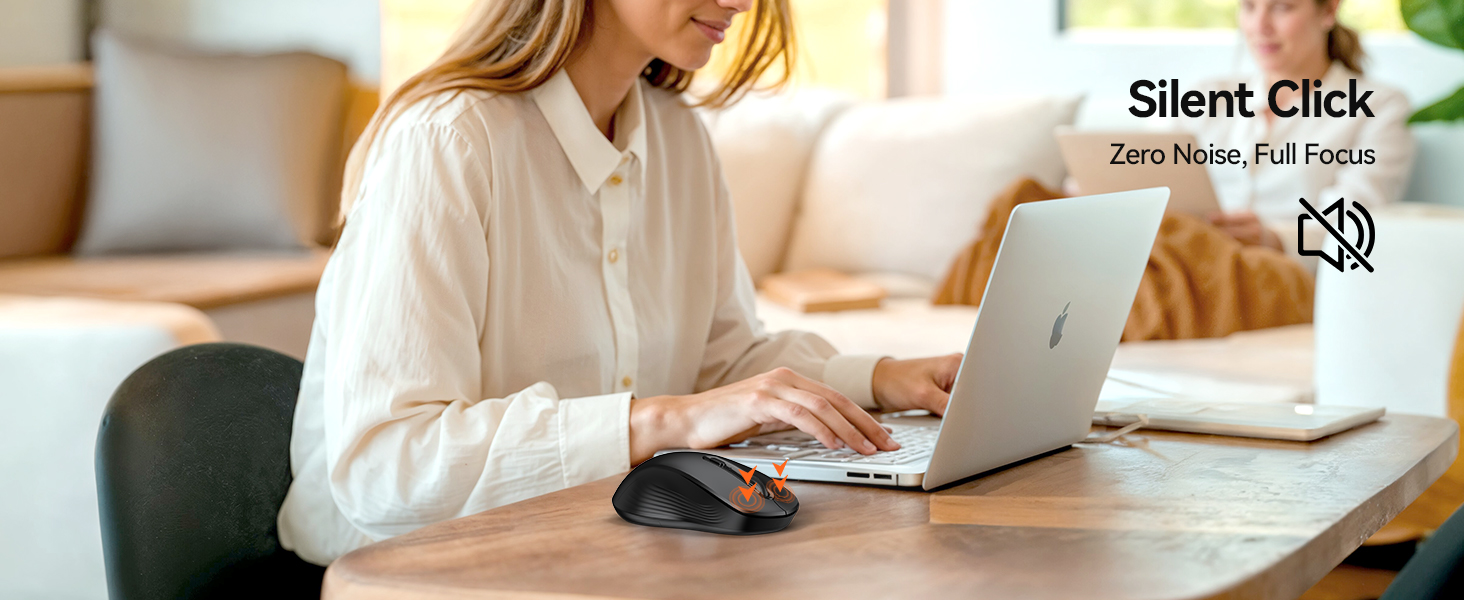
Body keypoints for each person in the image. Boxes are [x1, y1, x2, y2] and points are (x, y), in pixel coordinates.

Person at [276, 0, 960, 565]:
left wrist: (883, 379)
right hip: (407, 568)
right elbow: (386, 466)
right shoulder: (448, 143)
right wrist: (662, 419)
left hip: (587, 543)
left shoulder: (678, 138)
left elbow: (722, 362)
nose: (742, 5)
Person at [1188, 0, 1414, 264]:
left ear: (1329, 10)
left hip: (1287, 275)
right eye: (1249, 6)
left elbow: (1350, 225)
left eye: (1282, 7)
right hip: (1197, 261)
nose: (1260, 26)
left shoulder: (1379, 107)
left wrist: (1272, 239)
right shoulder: (1207, 96)